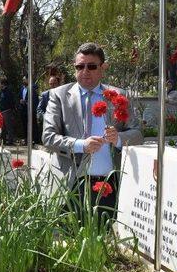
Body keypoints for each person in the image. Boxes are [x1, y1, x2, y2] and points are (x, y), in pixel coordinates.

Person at [42, 42, 143, 212]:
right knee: (70, 236)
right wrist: (81, 145)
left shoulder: (117, 96)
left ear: (102, 68)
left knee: (103, 235)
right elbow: (48, 137)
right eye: (80, 66)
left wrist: (118, 139)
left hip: (109, 183)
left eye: (91, 66)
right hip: (72, 182)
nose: (85, 71)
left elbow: (138, 134)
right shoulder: (59, 96)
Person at [19, 76, 40, 144]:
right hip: (23, 110)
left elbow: (35, 99)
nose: (23, 81)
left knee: (32, 125)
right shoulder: (22, 88)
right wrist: (20, 101)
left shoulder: (33, 87)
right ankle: (26, 139)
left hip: (31, 110)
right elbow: (19, 96)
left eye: (24, 80)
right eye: (23, 80)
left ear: (28, 80)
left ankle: (35, 140)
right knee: (25, 125)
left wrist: (27, 102)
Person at [0, 78, 16, 145]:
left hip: (7, 111)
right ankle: (3, 141)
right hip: (2, 111)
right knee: (3, 127)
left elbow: (11, 102)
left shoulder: (8, 91)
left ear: (3, 84)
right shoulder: (1, 91)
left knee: (9, 126)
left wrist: (11, 109)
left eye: (0, 83)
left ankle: (10, 141)